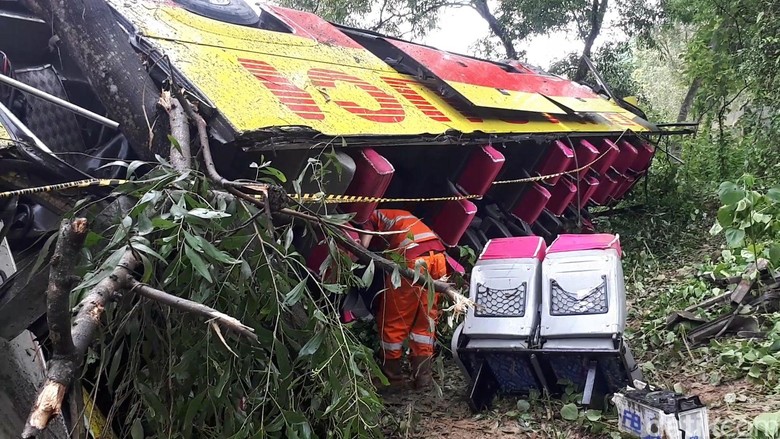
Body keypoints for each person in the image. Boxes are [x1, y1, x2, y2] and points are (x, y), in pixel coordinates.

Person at [360, 209, 448, 391]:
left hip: (412, 261)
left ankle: (392, 378)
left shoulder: (368, 215)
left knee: (394, 318)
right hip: (438, 257)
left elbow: (363, 247)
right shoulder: (400, 214)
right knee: (425, 322)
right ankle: (423, 378)